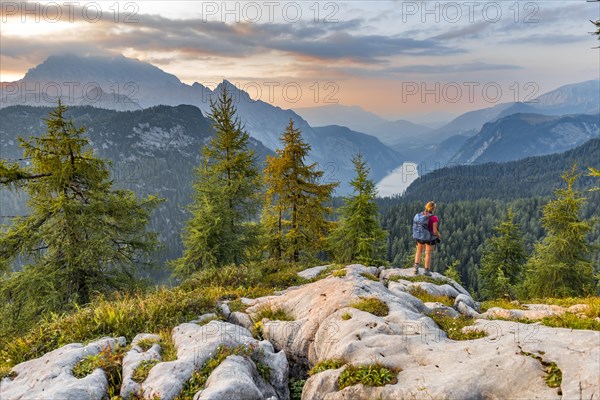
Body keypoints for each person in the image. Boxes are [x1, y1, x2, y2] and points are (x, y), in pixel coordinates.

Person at [413, 201, 441, 276]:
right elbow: (435, 231)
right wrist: (439, 235)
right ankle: (426, 271)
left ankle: (416, 268)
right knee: (428, 253)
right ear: (433, 208)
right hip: (430, 238)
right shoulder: (434, 217)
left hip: (420, 236)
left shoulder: (420, 215)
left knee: (419, 251)